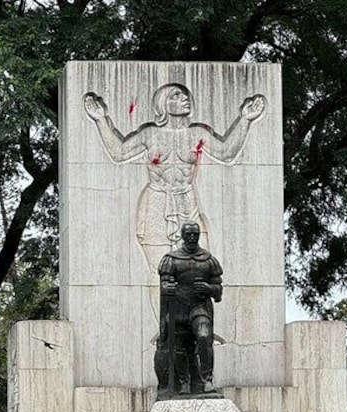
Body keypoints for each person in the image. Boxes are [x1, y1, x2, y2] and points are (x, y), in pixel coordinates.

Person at [84, 83, 266, 272]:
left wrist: (245, 120)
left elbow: (226, 153)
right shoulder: (150, 134)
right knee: (160, 271)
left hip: (187, 200)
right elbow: (119, 153)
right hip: (156, 201)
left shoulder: (197, 133)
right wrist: (100, 120)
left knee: (201, 265)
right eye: (176, 96)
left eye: (185, 95)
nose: (185, 98)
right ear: (163, 104)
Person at [155, 221, 223, 396]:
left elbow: (218, 291)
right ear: (183, 236)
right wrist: (167, 288)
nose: (192, 237)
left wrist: (208, 289)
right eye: (189, 234)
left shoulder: (208, 260)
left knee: (204, 336)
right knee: (177, 346)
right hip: (178, 308)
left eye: (195, 234)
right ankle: (183, 382)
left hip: (199, 307)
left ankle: (207, 380)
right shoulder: (172, 259)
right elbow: (164, 285)